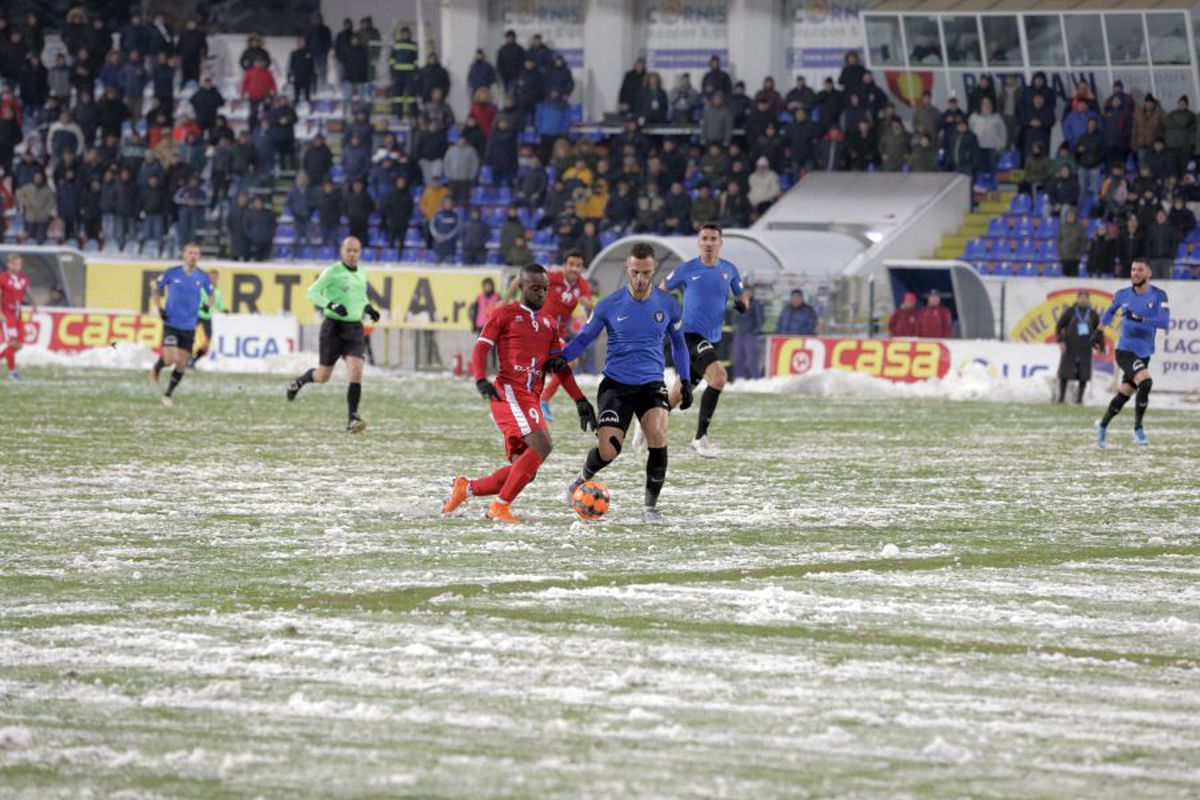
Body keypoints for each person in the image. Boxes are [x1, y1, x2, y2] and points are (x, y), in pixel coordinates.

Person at [441, 263, 596, 524]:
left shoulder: (548, 323)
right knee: (543, 445)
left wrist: (580, 400)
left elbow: (560, 368)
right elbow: (481, 348)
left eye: (545, 289)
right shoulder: (505, 314)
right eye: (535, 288)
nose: (541, 294)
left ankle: (466, 488)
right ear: (522, 287)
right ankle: (499, 506)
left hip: (529, 397)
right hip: (509, 392)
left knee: (524, 469)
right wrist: (480, 379)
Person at [557, 243, 692, 523]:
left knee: (658, 435)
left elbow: (678, 344)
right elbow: (584, 338)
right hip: (616, 385)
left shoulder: (669, 304)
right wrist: (561, 358)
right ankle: (580, 479)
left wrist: (686, 379)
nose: (640, 279)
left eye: (646, 273)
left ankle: (650, 509)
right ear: (626, 269)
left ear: (654, 270)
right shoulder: (608, 304)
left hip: (652, 384)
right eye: (635, 272)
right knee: (609, 450)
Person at [660, 223, 747, 458]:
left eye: (713, 238)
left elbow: (742, 294)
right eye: (705, 238)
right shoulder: (687, 269)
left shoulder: (729, 270)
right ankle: (700, 438)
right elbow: (662, 290)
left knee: (680, 391)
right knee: (719, 378)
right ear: (699, 243)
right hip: (688, 336)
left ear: (720, 243)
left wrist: (742, 304)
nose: (708, 242)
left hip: (712, 339)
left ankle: (649, 420)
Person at [285, 237, 382, 432]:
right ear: (342, 251)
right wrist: (331, 305)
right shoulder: (332, 272)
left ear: (360, 252)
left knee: (356, 371)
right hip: (333, 328)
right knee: (322, 376)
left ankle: (352, 419)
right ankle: (299, 381)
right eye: (349, 250)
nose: (352, 254)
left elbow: (360, 296)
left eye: (356, 251)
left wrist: (367, 308)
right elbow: (312, 292)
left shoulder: (362, 273)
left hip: (354, 328)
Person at [510, 250, 595, 420]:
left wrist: (588, 307)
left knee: (569, 361)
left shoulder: (583, 286)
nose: (574, 268)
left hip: (556, 334)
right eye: (571, 264)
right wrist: (507, 298)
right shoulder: (552, 277)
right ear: (565, 265)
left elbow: (591, 310)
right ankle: (513, 405)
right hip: (536, 327)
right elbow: (521, 278)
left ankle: (542, 400)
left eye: (578, 265)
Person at [1093, 260, 1170, 447]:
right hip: (1125, 351)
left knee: (1125, 393)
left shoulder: (1159, 295)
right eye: (1133, 269)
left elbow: (1164, 322)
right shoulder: (1122, 295)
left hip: (1144, 353)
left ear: (1149, 273)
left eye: (1140, 269)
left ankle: (1102, 425)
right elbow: (1110, 312)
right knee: (1146, 381)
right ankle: (1138, 429)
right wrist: (1099, 331)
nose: (1135, 273)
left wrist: (1140, 318)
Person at [149, 242, 213, 406]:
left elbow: (211, 294)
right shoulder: (172, 273)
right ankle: (157, 367)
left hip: (189, 327)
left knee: (182, 364)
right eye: (190, 253)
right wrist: (159, 308)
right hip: (171, 323)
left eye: (196, 253)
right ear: (184, 254)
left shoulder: (203, 277)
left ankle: (168, 393)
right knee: (170, 359)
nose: (193, 256)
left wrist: (207, 304)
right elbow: (156, 288)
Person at [1055, 290, 1099, 404]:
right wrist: (1061, 341)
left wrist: (1098, 344)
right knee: (1064, 373)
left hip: (1085, 348)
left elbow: (1098, 331)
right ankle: (1061, 398)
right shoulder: (1069, 312)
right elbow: (1059, 326)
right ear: (1077, 299)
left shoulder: (1093, 314)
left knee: (1083, 375)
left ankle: (1079, 399)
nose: (1083, 300)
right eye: (1081, 297)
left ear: (1088, 300)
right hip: (1070, 347)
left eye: (1085, 298)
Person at [0, 254, 33, 380]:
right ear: (9, 264)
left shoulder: (24, 278)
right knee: (12, 343)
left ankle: (11, 370)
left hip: (18, 314)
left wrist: (34, 304)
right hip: (7, 314)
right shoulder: (3, 278)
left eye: (19, 264)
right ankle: (12, 373)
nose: (17, 267)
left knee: (19, 345)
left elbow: (26, 291)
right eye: (14, 264)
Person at [731, 285, 764, 380]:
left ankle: (755, 378)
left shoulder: (756, 304)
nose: (746, 293)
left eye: (748, 292)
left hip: (750, 335)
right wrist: (736, 328)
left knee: (752, 358)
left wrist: (754, 332)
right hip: (739, 335)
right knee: (738, 358)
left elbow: (760, 319)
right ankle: (738, 378)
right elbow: (734, 318)